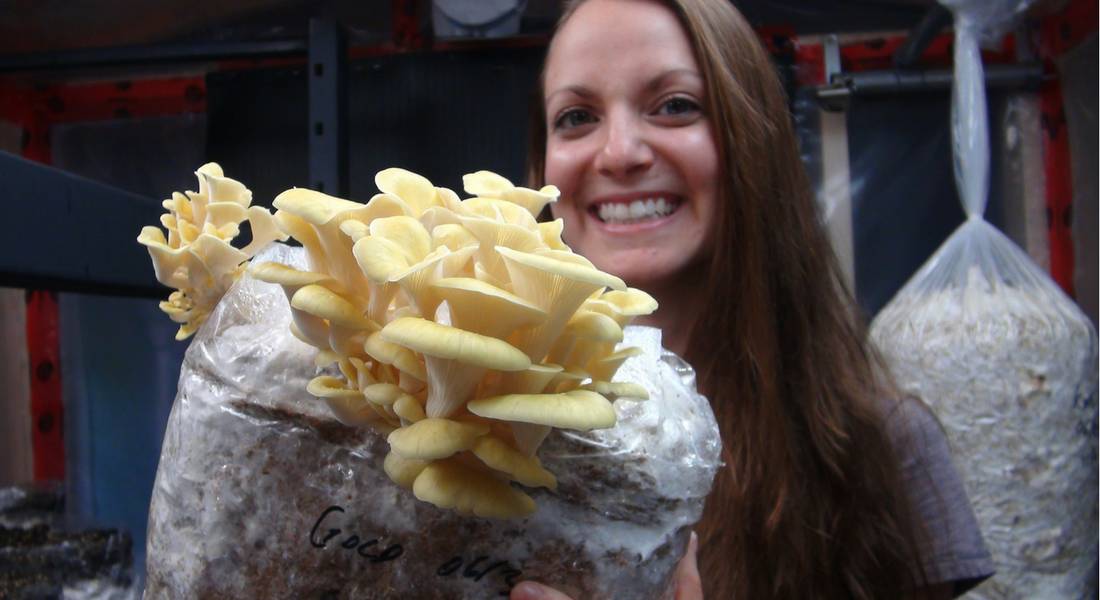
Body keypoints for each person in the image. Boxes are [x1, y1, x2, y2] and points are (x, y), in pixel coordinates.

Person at [511, 0, 995, 598]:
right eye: (577, 116)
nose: (619, 153)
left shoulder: (885, 448)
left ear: (750, 137)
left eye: (675, 106)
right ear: (542, 170)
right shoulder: (490, 442)